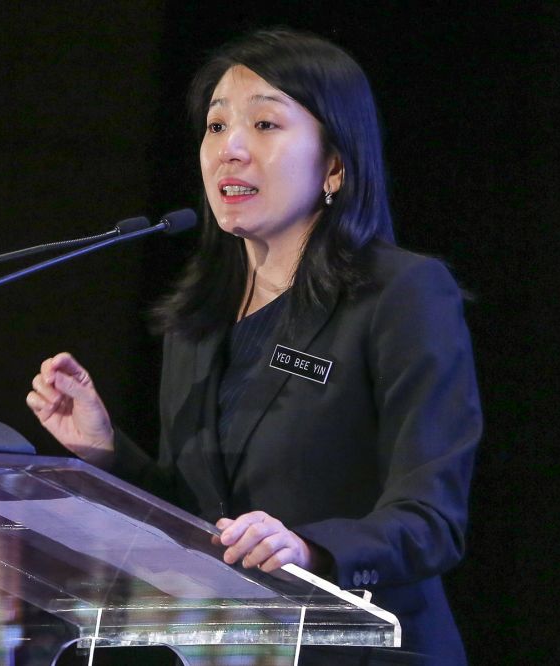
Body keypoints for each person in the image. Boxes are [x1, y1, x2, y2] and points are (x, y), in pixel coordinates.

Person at [26, 28, 481, 665]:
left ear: (334, 164)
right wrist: (106, 454)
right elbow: (197, 519)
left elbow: (431, 520)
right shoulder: (196, 321)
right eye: (216, 127)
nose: (230, 149)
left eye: (265, 124)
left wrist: (309, 550)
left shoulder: (400, 294)